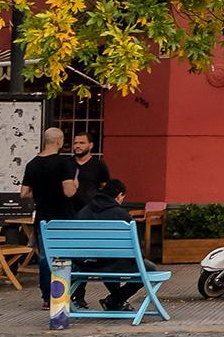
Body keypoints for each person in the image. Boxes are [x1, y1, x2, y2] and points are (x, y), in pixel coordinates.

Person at [71, 177, 155, 312]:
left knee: (107, 261)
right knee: (149, 268)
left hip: (84, 264)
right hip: (111, 264)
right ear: (119, 195)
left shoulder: (84, 212)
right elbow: (136, 248)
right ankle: (115, 300)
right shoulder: (121, 215)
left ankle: (116, 302)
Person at [19, 127, 80, 307]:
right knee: (65, 256)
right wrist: (75, 184)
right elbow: (69, 192)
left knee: (45, 257)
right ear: (59, 141)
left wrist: (41, 192)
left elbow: (24, 193)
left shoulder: (32, 164)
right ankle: (63, 293)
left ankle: (47, 296)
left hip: (43, 216)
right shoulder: (64, 164)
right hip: (63, 216)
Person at [70, 132, 111, 200]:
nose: (77, 146)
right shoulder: (66, 163)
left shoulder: (99, 164)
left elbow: (105, 186)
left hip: (91, 207)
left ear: (91, 145)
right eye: (75, 143)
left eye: (82, 143)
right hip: (69, 208)